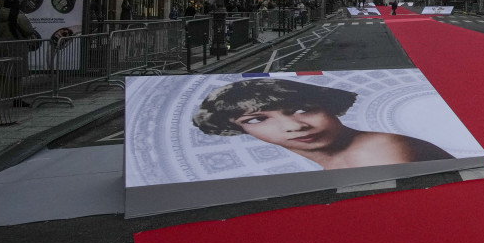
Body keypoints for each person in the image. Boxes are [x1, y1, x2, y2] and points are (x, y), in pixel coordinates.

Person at [192, 78, 452, 170]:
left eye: (303, 109)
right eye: (257, 119)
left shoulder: (377, 150)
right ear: (240, 129)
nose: (294, 126)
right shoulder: (348, 157)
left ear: (325, 104)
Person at [0, 0, 41, 110]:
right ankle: (17, 99)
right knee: (16, 74)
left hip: (1, 47)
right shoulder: (19, 16)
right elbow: (29, 30)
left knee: (1, 73)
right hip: (17, 47)